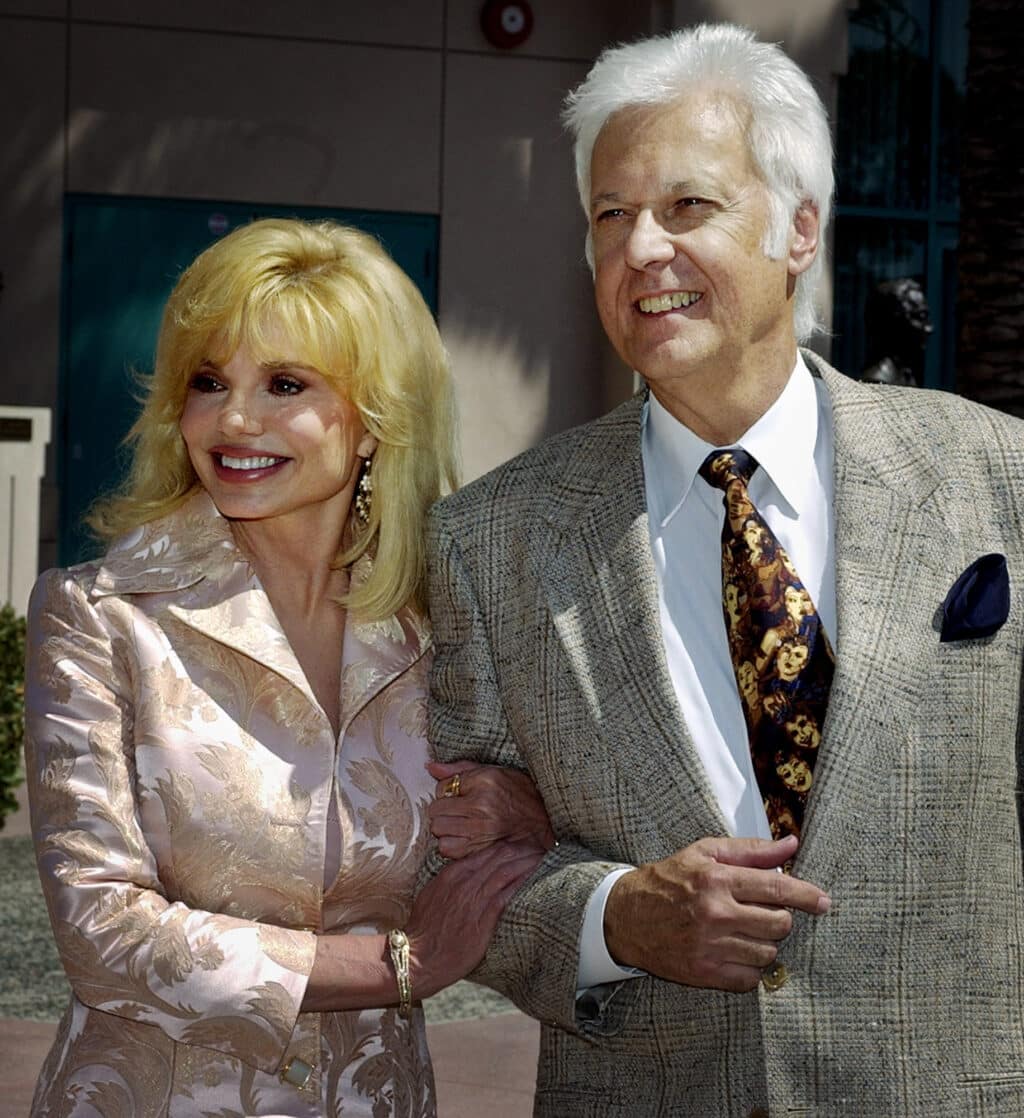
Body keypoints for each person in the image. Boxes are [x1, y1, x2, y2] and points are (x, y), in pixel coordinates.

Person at [427, 23, 1024, 1117]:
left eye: (685, 207)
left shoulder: (995, 477)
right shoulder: (492, 540)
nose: (640, 248)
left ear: (799, 228)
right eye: (609, 216)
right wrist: (615, 917)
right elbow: (453, 870)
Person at [23, 217, 544, 1117]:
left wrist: (526, 814)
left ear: (377, 420)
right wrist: (397, 961)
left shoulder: (446, 631)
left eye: (285, 385)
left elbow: (512, 858)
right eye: (208, 381)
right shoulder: (99, 616)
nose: (231, 420)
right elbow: (102, 933)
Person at [861, 276, 933, 386]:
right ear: (894, 322)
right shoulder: (878, 381)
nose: (929, 328)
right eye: (920, 317)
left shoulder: (905, 375)